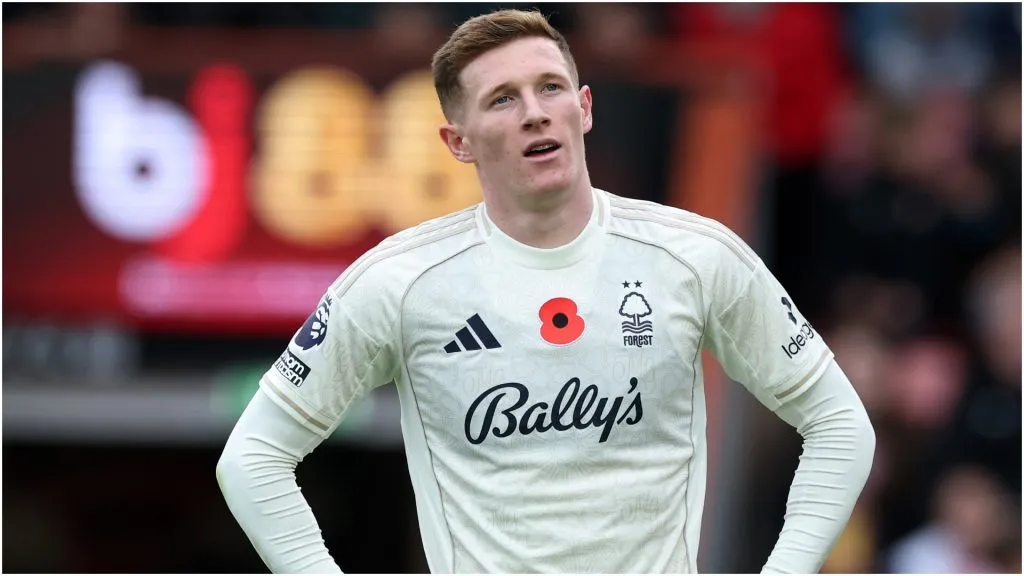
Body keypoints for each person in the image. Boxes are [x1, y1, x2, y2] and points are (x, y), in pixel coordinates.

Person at [216, 9, 875, 573]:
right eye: (503, 99)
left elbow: (841, 424)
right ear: (458, 142)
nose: (535, 113)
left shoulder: (695, 256)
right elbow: (252, 457)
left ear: (583, 109)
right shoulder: (399, 281)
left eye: (551, 88)